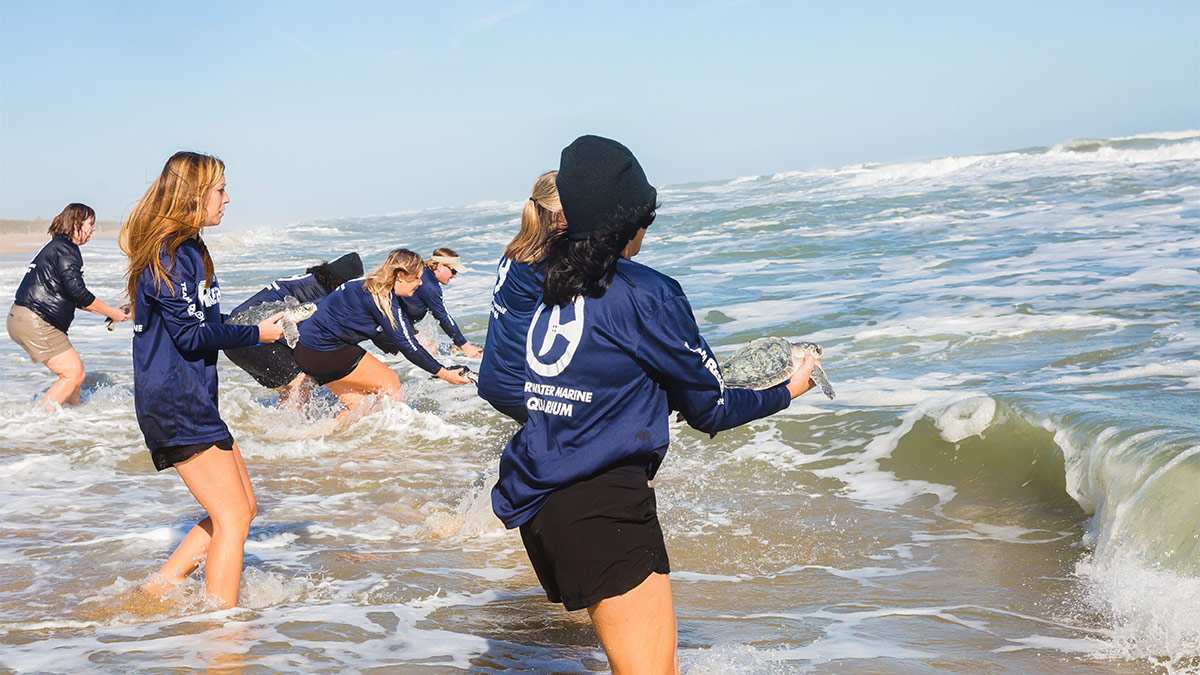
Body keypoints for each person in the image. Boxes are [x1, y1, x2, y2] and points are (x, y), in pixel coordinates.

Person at [491, 136, 819, 675]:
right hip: (600, 506)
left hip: (542, 497)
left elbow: (591, 382)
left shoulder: (551, 282)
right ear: (635, 222)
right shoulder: (649, 292)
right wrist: (787, 391)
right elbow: (710, 410)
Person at [121, 151, 285, 608]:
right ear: (193, 194)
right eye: (220, 189)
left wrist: (261, 326)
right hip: (173, 400)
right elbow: (192, 336)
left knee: (243, 509)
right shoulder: (168, 254)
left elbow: (199, 322)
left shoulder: (190, 248)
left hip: (191, 397)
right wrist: (257, 333)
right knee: (232, 514)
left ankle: (156, 591)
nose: (227, 199)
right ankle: (221, 631)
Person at [294, 248, 472, 417]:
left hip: (307, 351)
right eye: (417, 278)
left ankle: (307, 439)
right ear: (400, 276)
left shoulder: (363, 286)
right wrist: (446, 374)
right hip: (324, 351)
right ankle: (406, 438)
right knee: (390, 382)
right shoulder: (382, 299)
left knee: (359, 408)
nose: (421, 282)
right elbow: (408, 345)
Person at [7, 203, 129, 411]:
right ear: (76, 224)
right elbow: (77, 292)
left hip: (24, 317)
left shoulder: (57, 246)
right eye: (90, 223)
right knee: (74, 374)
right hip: (36, 319)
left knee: (74, 380)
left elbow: (73, 296)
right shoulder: (66, 249)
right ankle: (37, 425)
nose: (93, 229)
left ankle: (72, 423)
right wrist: (112, 313)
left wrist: (111, 310)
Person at [477, 171, 563, 423]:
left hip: (497, 376)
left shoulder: (520, 248)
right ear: (559, 213)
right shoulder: (544, 260)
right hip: (519, 386)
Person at [223, 252, 363, 404]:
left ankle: (276, 427)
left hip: (232, 339)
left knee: (288, 390)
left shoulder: (306, 281)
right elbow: (314, 342)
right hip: (252, 339)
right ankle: (303, 427)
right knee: (303, 382)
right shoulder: (320, 297)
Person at [399, 247, 482, 358]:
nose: (455, 276)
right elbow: (443, 316)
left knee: (431, 348)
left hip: (401, 322)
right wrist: (465, 346)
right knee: (428, 351)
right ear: (439, 266)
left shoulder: (426, 276)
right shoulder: (428, 284)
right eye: (453, 271)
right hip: (391, 322)